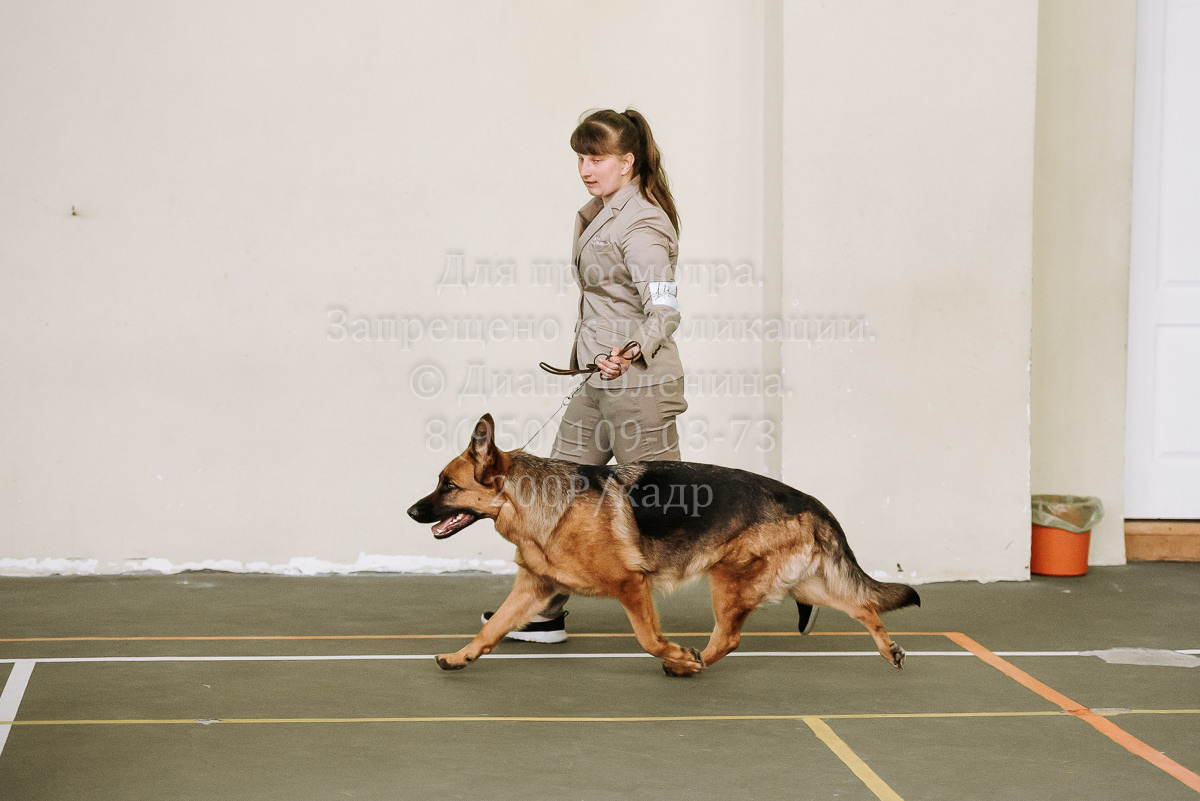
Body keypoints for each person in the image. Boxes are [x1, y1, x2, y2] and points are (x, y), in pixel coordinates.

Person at [486, 108, 816, 641]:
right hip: (597, 381)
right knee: (555, 497)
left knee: (668, 509)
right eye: (580, 157)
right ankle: (542, 611)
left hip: (639, 386)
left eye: (596, 158)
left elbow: (663, 309)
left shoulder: (641, 224)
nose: (584, 168)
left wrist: (631, 347)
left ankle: (793, 578)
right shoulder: (599, 211)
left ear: (627, 161)